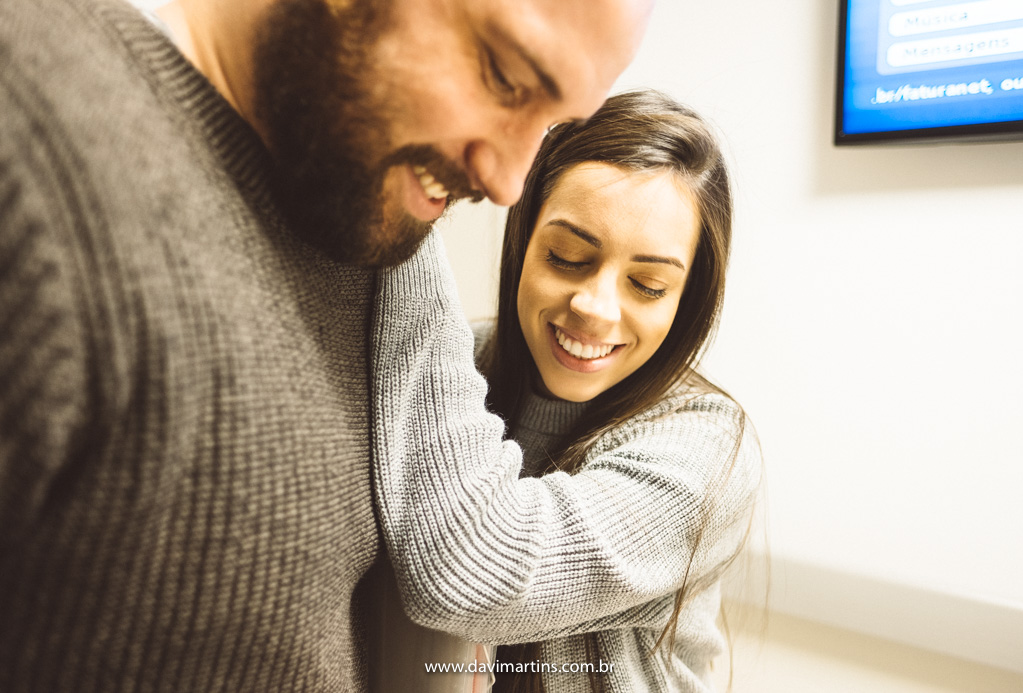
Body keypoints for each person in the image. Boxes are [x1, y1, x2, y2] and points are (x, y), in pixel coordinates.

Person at [0, 0, 652, 689]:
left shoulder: (360, 230)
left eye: (551, 123)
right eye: (505, 77)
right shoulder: (30, 124)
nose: (507, 184)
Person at [370, 90, 761, 692]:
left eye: (649, 285)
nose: (595, 309)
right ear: (523, 241)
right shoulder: (454, 363)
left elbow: (471, 575)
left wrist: (397, 221)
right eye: (567, 256)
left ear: (686, 301)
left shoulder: (706, 443)